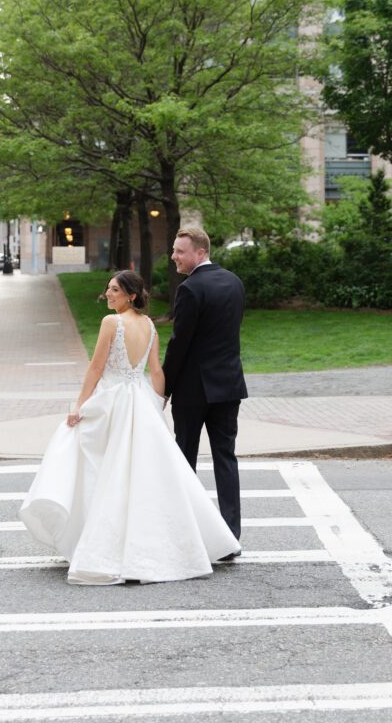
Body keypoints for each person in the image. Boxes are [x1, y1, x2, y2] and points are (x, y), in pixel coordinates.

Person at [19, 270, 240, 585]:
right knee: (138, 475)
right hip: (139, 400)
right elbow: (155, 369)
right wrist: (158, 400)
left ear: (131, 295)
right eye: (108, 289)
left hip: (113, 402)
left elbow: (96, 367)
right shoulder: (149, 325)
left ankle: (101, 540)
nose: (107, 295)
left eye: (114, 290)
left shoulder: (112, 323)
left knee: (100, 467)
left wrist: (80, 404)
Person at [162, 227, 247, 553]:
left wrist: (165, 389)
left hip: (194, 391)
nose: (173, 257)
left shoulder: (190, 289)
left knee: (185, 460)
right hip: (228, 386)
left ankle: (189, 533)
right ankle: (230, 535)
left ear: (200, 252)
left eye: (179, 251)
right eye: (174, 250)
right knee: (226, 458)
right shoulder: (234, 282)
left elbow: (179, 344)